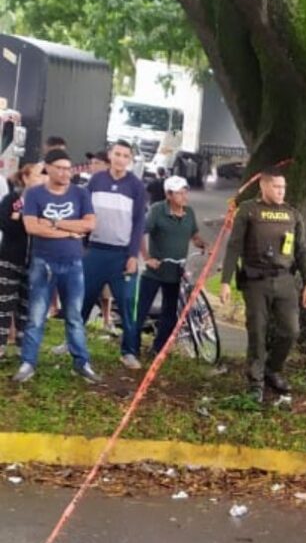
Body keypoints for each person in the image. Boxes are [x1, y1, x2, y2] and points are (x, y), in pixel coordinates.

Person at [220, 167, 306, 403]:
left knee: (291, 330)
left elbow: (301, 251)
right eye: (276, 187)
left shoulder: (292, 214)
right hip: (255, 281)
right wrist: (225, 281)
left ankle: (272, 369)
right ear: (263, 186)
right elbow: (234, 247)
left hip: (284, 280)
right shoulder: (249, 211)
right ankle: (255, 381)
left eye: (283, 187)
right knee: (257, 333)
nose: (281, 191)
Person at [14, 148, 99, 383]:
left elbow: (89, 224)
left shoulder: (81, 194)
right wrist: (69, 232)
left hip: (73, 262)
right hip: (43, 262)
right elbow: (31, 227)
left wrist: (53, 222)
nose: (64, 173)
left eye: (67, 168)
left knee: (74, 316)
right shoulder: (35, 194)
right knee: (36, 315)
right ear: (48, 168)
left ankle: (81, 362)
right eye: (59, 168)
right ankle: (28, 362)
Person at [80, 140, 148, 369]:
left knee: (127, 304)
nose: (120, 159)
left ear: (130, 159)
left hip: (121, 255)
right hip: (96, 250)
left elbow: (139, 223)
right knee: (83, 301)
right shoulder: (96, 181)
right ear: (110, 155)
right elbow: (85, 212)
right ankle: (73, 343)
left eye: (125, 155)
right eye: (117, 154)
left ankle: (128, 351)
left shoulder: (136, 186)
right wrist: (83, 244)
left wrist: (132, 255)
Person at [135, 175, 206, 357]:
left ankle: (159, 348)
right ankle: (131, 346)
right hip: (155, 271)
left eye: (185, 192)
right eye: (179, 193)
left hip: (176, 272)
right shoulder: (157, 210)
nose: (184, 197)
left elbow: (194, 235)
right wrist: (147, 258)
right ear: (168, 195)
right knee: (140, 310)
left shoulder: (189, 213)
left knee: (170, 313)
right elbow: (140, 233)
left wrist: (202, 244)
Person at [0, 164, 44, 354]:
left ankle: (23, 349)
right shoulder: (12, 199)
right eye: (38, 175)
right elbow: (6, 224)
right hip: (10, 259)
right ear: (26, 178)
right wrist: (25, 221)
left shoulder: (48, 202)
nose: (42, 179)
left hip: (36, 262)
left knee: (28, 307)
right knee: (3, 303)